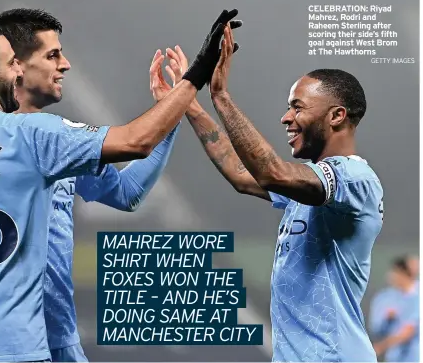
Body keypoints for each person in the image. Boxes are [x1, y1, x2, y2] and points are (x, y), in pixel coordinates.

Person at [0, 11, 237, 362]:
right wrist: (193, 80)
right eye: (51, 56)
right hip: (22, 344)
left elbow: (126, 192)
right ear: (5, 69)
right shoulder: (39, 137)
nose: (64, 64)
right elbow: (137, 140)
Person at [150, 26, 384, 362]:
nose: (286, 117)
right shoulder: (311, 185)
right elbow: (243, 175)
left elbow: (271, 172)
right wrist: (188, 103)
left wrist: (221, 96)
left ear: (336, 115)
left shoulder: (354, 178)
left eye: (297, 107)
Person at [371, 257, 419, 362]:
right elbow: (376, 328)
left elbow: (408, 330)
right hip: (394, 358)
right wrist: (387, 318)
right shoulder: (384, 298)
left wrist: (380, 347)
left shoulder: (418, 296)